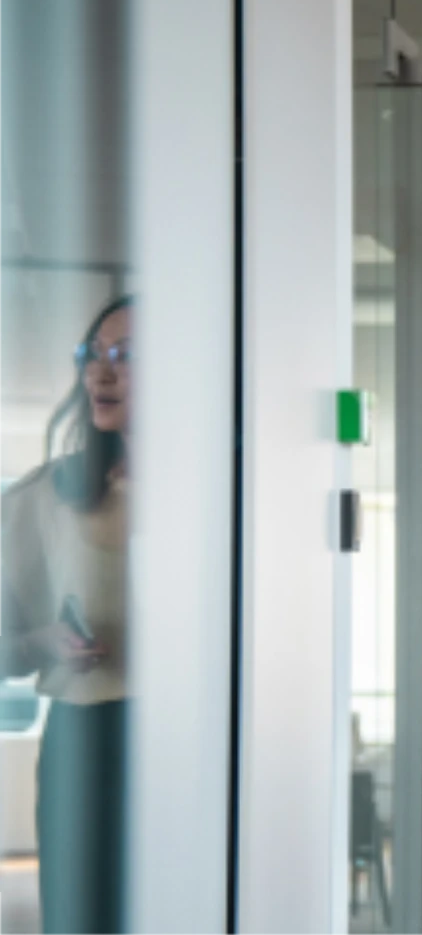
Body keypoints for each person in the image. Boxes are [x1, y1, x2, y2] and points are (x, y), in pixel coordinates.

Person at [0, 295, 133, 935]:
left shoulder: (234, 490)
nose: (100, 374)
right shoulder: (43, 497)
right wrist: (39, 642)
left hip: (205, 737)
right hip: (88, 740)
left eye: (125, 356)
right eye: (92, 355)